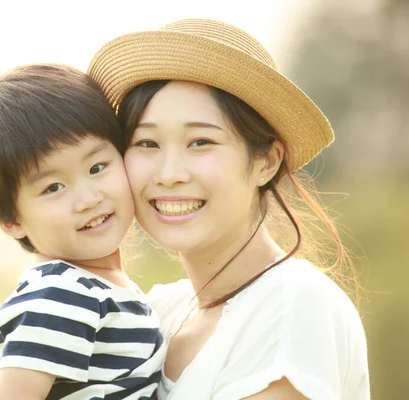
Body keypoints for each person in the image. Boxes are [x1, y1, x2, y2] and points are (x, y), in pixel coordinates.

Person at [88, 19, 369, 399]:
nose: (169, 174)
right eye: (147, 143)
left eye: (201, 141)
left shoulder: (292, 307)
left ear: (267, 161)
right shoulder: (156, 311)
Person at [0, 64, 166, 400]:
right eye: (53, 187)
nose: (87, 199)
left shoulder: (95, 291)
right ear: (10, 219)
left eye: (97, 167)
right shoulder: (62, 295)